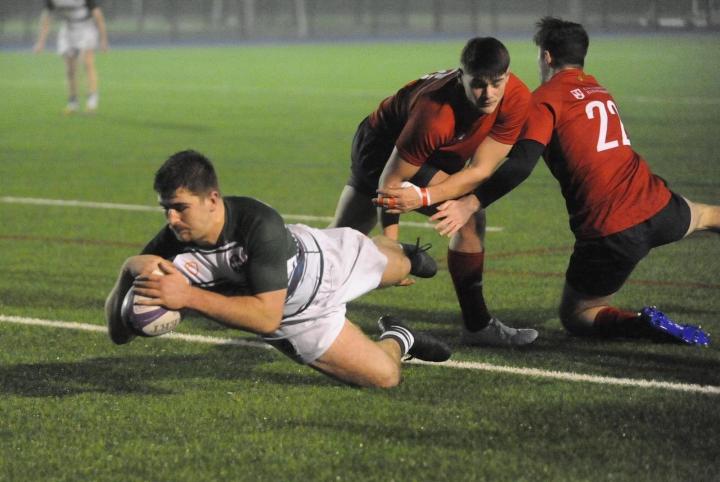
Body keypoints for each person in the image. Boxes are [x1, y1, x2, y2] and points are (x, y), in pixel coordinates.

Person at [380, 17, 719, 345]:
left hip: (611, 229)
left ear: (546, 56)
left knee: (579, 315)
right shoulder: (599, 89)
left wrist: (471, 202)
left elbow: (520, 165)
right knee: (707, 216)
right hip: (658, 204)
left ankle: (640, 324)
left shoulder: (543, 100)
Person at [105, 150, 451, 389]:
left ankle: (397, 249)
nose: (171, 219)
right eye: (166, 209)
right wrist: (126, 275)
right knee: (385, 377)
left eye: (180, 208)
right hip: (297, 321)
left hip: (323, 260)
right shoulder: (169, 246)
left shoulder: (258, 222)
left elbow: (256, 313)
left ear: (212, 200)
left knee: (405, 265)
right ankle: (400, 336)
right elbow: (121, 335)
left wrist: (188, 296)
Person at [329, 37, 538, 347]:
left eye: (497, 83)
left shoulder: (516, 97)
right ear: (460, 77)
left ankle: (477, 325)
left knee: (469, 216)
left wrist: (426, 197)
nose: (489, 93)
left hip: (432, 152)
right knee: (347, 237)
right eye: (478, 84)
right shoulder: (435, 114)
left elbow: (480, 170)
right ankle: (303, 306)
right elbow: (392, 185)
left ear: (507, 75)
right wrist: (393, 252)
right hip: (382, 147)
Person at [33, 0, 109, 114]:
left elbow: (98, 16)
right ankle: (73, 102)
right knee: (70, 69)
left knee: (87, 63)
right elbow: (46, 19)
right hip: (68, 29)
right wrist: (41, 42)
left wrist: (103, 40)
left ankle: (92, 100)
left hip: (86, 27)